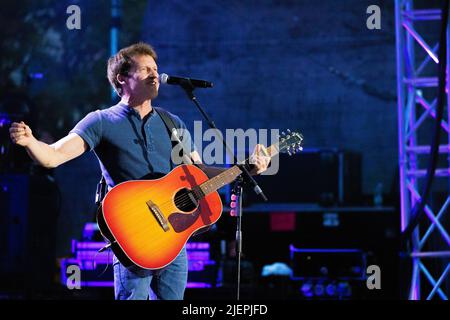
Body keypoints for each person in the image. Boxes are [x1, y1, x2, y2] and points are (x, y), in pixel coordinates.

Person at [9, 42, 270, 300]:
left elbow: (198, 171)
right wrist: (30, 142)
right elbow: (54, 156)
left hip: (174, 240)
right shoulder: (101, 120)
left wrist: (243, 169)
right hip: (133, 236)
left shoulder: (172, 123)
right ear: (122, 79)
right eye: (145, 69)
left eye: (155, 69)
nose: (155, 74)